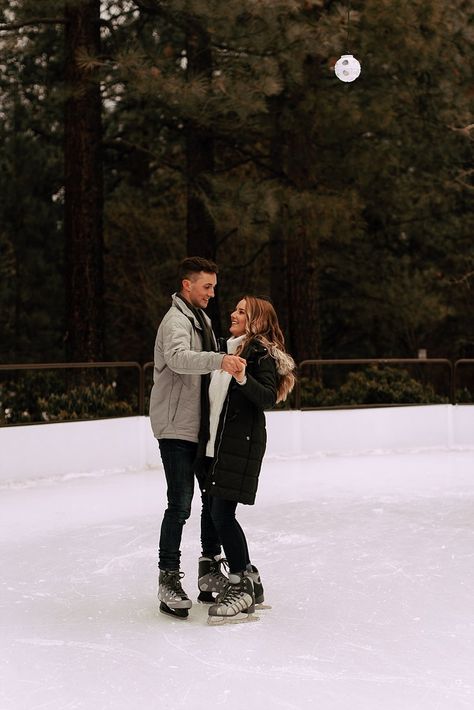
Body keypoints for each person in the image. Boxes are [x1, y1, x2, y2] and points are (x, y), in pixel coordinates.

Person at [149, 257, 245, 619]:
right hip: (176, 426)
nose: (212, 293)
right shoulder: (176, 320)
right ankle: (168, 578)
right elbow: (177, 358)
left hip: (200, 428)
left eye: (214, 287)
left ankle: (208, 570)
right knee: (180, 504)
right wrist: (219, 359)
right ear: (187, 285)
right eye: (207, 286)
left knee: (213, 498)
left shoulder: (201, 319)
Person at [196, 296, 296, 624]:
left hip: (239, 443)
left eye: (241, 311)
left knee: (222, 512)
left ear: (256, 320)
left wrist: (242, 377)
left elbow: (266, 397)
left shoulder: (258, 353)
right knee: (211, 507)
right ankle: (220, 571)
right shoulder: (227, 348)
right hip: (213, 442)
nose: (233, 314)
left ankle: (241, 584)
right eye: (235, 309)